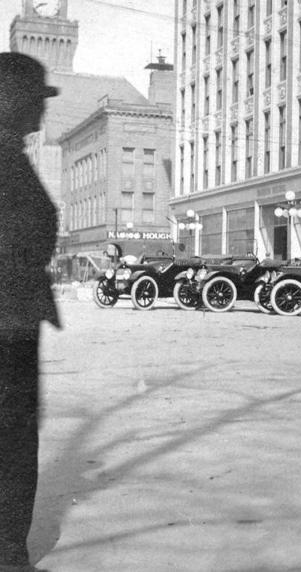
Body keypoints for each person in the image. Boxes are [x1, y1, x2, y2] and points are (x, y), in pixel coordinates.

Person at [0, 52, 61, 571]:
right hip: (7, 327)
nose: (43, 110)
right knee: (13, 445)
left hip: (15, 322)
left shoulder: (12, 155)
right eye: (37, 100)